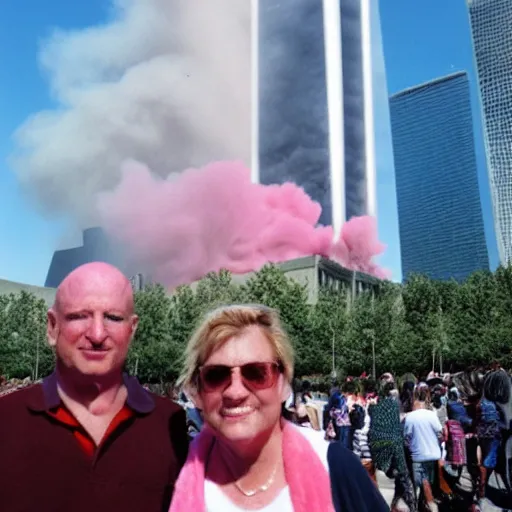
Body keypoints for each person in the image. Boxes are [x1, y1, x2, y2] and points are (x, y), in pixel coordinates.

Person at [0, 262, 188, 512]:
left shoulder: (171, 423)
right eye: (79, 316)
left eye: (113, 317)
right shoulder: (5, 419)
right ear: (52, 327)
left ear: (132, 330)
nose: (97, 334)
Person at [169, 304, 388, 512]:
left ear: (284, 385)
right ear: (197, 391)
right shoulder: (171, 480)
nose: (235, 392)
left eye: (256, 373)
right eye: (216, 375)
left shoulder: (337, 469)